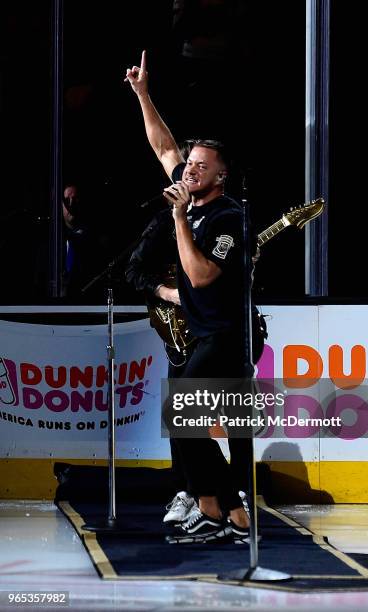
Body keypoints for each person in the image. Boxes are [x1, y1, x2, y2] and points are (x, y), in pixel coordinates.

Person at [125, 51, 261, 544]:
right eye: (191, 164)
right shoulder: (188, 186)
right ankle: (225, 511)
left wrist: (180, 217)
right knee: (180, 419)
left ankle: (219, 507)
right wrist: (143, 94)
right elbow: (163, 146)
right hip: (202, 334)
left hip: (229, 334)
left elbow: (201, 277)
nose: (190, 170)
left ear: (220, 176)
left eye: (201, 166)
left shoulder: (228, 217)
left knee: (182, 414)